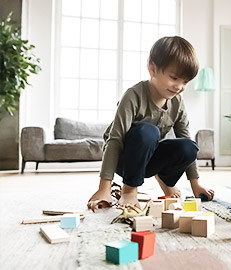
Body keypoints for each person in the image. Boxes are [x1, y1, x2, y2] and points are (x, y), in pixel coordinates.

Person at [88, 36, 214, 211]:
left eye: (185, 82)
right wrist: (104, 188)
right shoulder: (133, 96)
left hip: (149, 159)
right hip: (124, 160)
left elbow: (185, 139)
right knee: (148, 131)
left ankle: (165, 180)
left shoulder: (177, 103)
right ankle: (129, 189)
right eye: (174, 78)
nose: (179, 86)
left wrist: (196, 184)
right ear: (152, 69)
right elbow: (114, 140)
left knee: (189, 147)